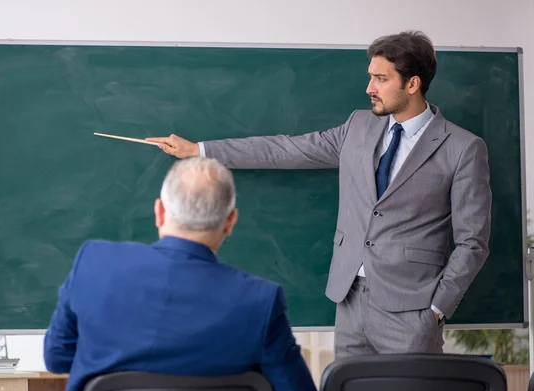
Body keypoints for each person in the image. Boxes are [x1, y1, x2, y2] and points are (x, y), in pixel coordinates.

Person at [145, 31, 493, 358]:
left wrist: (435, 309)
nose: (370, 87)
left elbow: (472, 242)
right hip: (349, 301)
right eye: (371, 76)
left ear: (413, 84)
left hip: (411, 311)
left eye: (381, 79)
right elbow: (285, 150)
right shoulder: (358, 126)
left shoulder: (461, 148)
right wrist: (200, 151)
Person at [43, 157, 318, 391]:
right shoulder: (261, 301)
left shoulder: (93, 262)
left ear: (159, 212)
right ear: (230, 221)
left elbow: (57, 359)